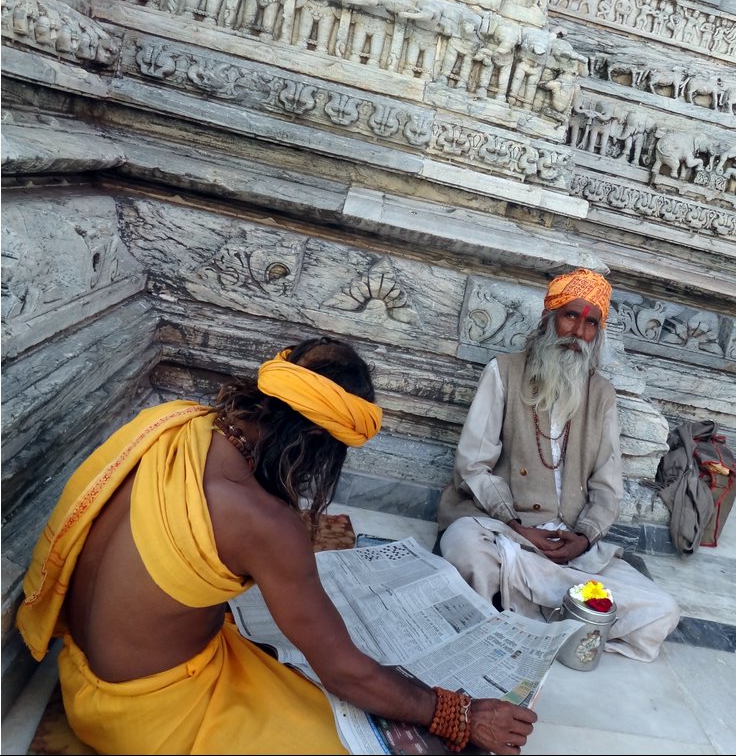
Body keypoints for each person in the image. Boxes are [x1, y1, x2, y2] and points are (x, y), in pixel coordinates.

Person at [17, 336, 536, 755]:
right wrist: (460, 714)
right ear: (317, 443)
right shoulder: (263, 523)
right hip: (154, 719)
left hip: (78, 677)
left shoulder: (172, 422)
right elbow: (343, 670)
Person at [437, 269, 681, 662]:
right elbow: (473, 465)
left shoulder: (601, 394)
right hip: (501, 531)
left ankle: (523, 605)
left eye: (591, 323)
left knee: (662, 610)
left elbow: (607, 487)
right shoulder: (504, 371)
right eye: (571, 316)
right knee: (466, 552)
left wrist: (583, 537)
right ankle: (562, 613)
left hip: (568, 544)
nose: (578, 332)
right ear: (549, 319)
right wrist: (517, 528)